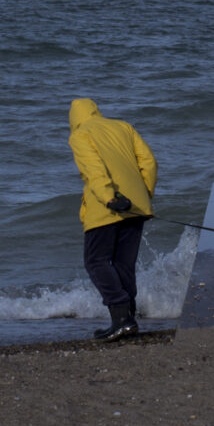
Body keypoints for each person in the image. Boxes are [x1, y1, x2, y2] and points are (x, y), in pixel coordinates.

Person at [67, 97, 157, 341]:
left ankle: (121, 318)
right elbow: (148, 162)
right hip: (136, 206)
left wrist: (110, 198)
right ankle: (128, 319)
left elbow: (93, 169)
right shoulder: (123, 127)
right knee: (123, 265)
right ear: (96, 111)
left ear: (73, 118)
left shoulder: (80, 135)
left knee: (96, 262)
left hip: (106, 208)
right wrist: (143, 193)